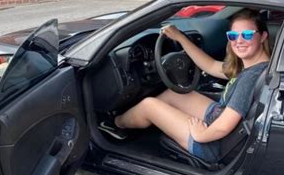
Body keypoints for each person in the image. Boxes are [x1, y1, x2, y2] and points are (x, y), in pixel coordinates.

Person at [100, 8, 270, 163]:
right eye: (233, 36)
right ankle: (149, 121)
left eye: (247, 34)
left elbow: (223, 127)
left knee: (148, 105)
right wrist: (180, 38)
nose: (238, 41)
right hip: (219, 115)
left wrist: (201, 135)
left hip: (215, 144)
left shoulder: (250, 77)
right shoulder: (256, 66)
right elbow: (210, 65)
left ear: (263, 36)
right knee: (174, 93)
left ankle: (114, 124)